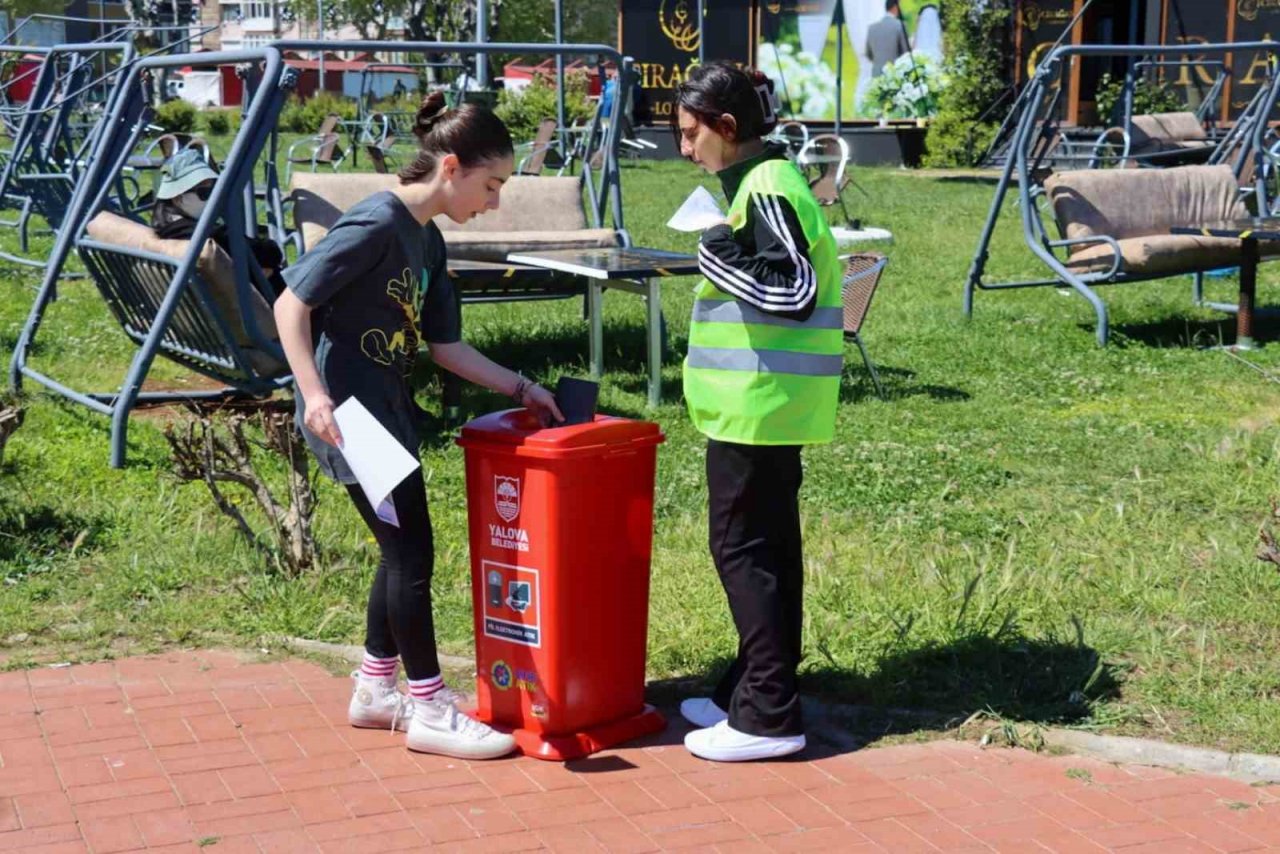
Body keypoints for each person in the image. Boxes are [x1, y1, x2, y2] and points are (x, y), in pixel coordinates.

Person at [273, 92, 564, 760]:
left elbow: (446, 349)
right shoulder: (377, 222)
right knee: (411, 552)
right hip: (348, 416)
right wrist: (314, 396)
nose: (492, 203)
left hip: (388, 413)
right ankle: (430, 706)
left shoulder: (427, 243)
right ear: (452, 167)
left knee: (401, 548)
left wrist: (525, 387)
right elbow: (291, 304)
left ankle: (377, 693)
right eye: (491, 185)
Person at [672, 62, 842, 762]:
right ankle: (748, 690)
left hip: (760, 407)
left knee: (745, 550)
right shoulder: (761, 181)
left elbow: (792, 288)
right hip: (763, 405)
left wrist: (715, 250)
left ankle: (768, 714)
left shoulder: (766, 184)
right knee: (766, 549)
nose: (685, 150)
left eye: (691, 135)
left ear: (728, 128)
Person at [152, 148, 286, 296]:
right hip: (266, 309)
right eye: (205, 192)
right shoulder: (213, 238)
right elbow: (272, 252)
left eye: (214, 190)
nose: (213, 199)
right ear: (177, 198)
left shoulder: (162, 232)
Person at [866, 0, 910, 78]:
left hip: (876, 75)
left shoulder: (871, 28)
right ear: (895, 7)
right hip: (895, 74)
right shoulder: (900, 25)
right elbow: (906, 52)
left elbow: (868, 54)